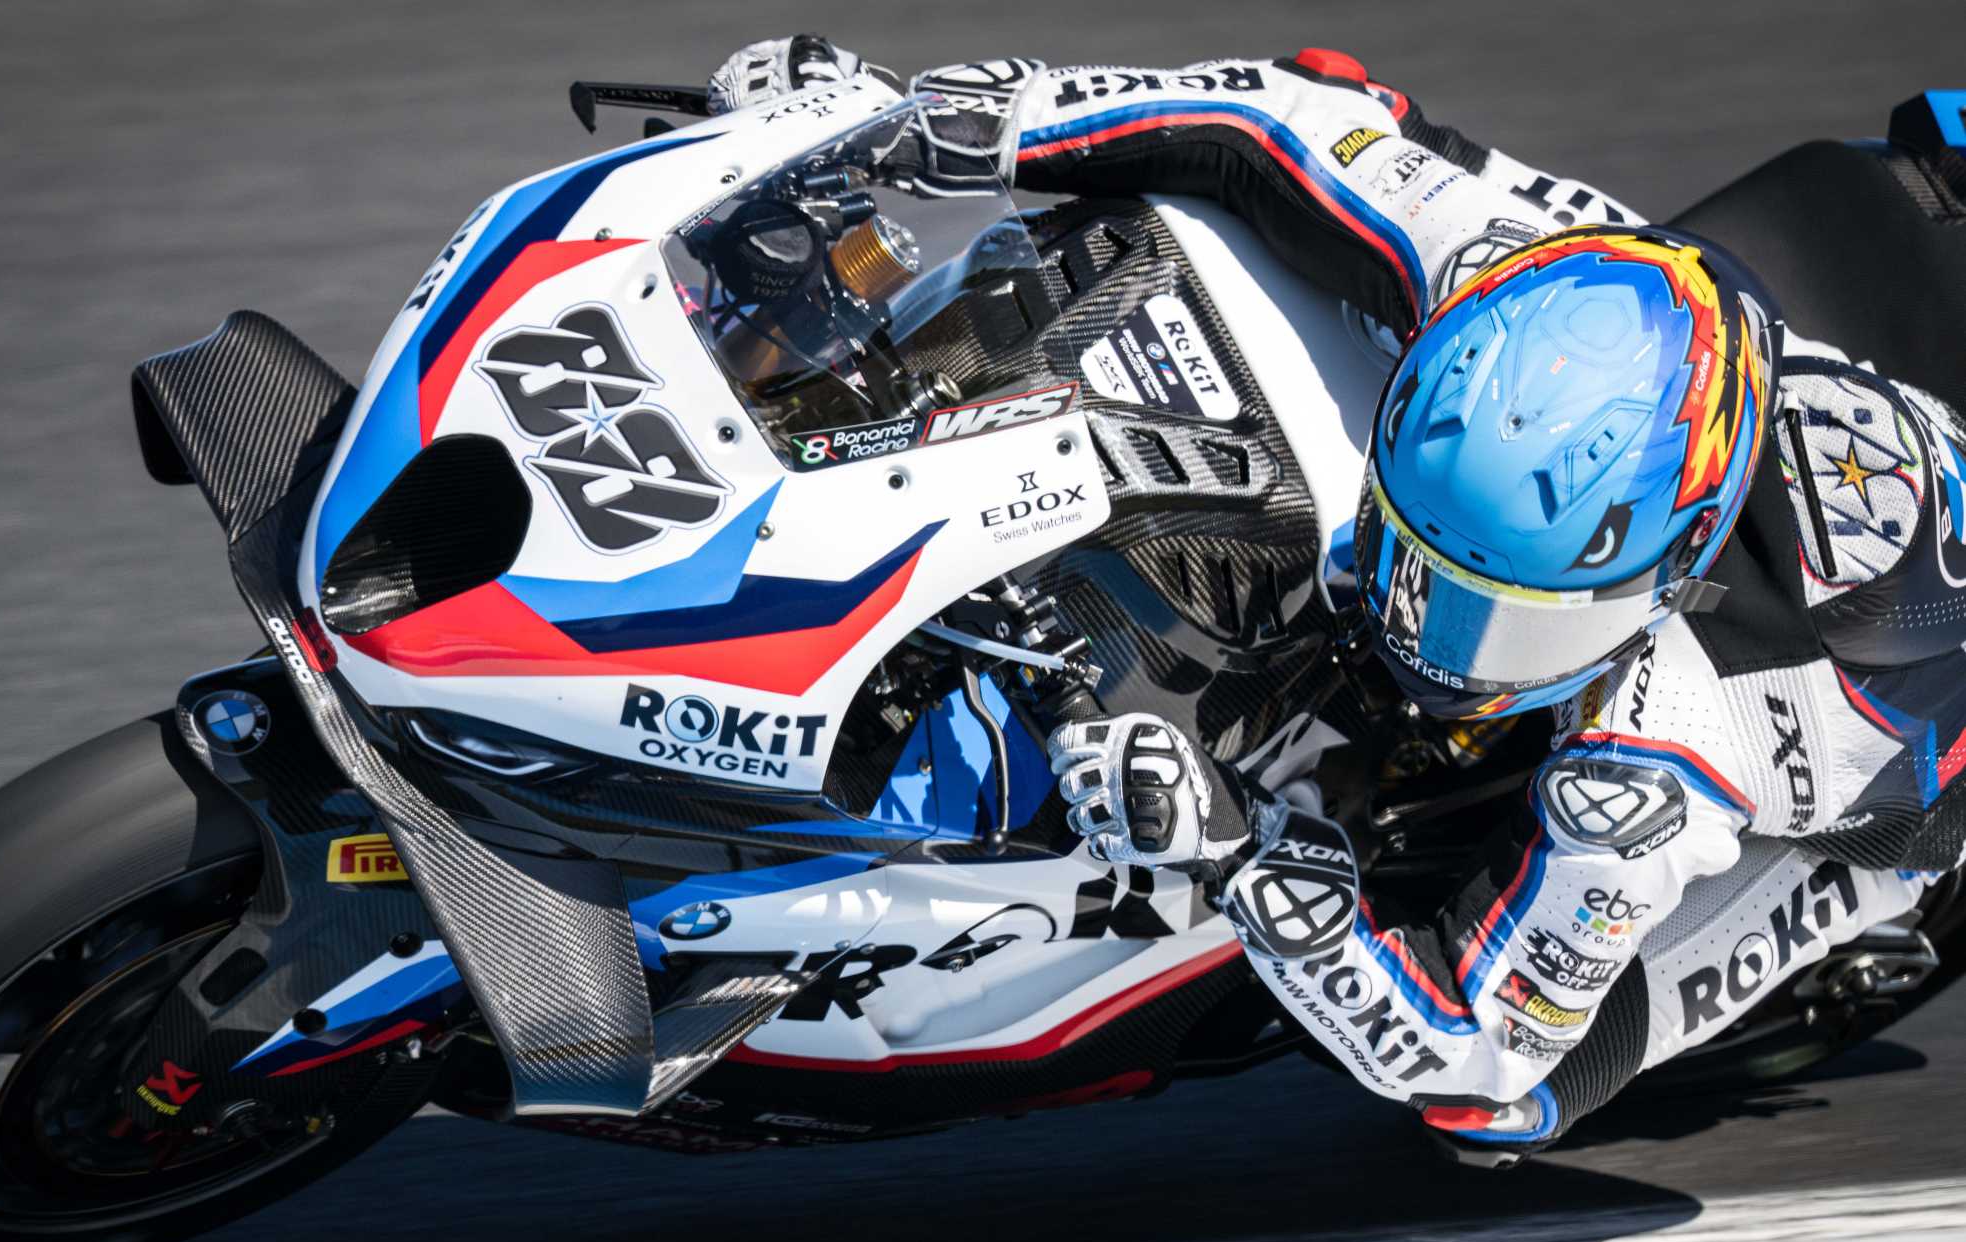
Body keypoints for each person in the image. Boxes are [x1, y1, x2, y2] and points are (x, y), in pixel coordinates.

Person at [706, 39, 1966, 1161]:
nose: (1425, 635)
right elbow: (1277, 116)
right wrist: (955, 123)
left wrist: (1238, 855)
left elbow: (1472, 1045)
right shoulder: (1503, 259)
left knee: (1511, 1110)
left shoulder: (1664, 757)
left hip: (1895, 779)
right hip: (1786, 342)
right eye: (1420, 562)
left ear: (1667, 576)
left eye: (1497, 616)